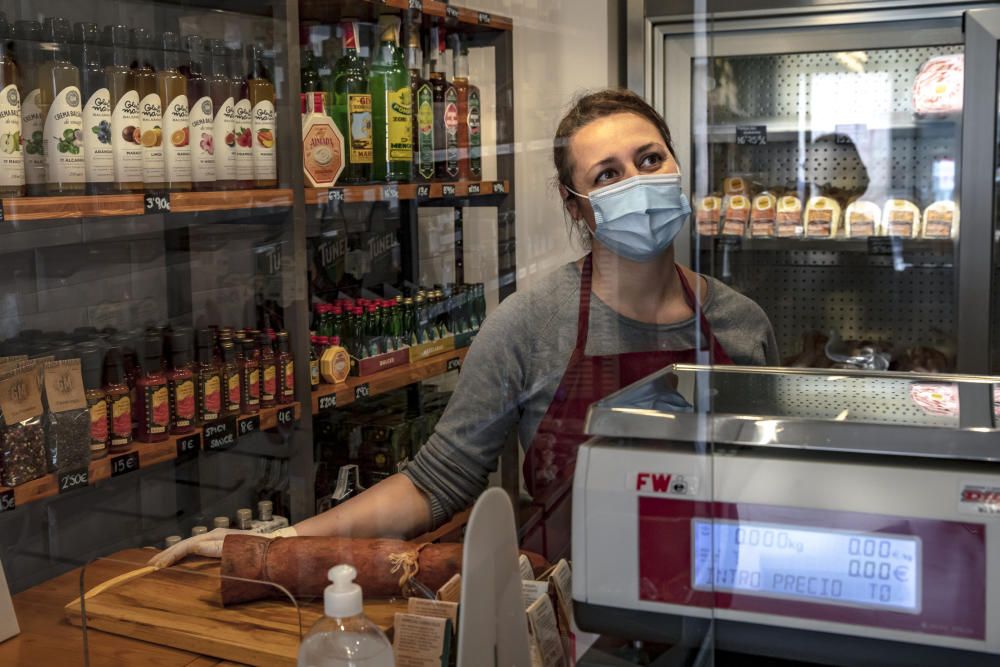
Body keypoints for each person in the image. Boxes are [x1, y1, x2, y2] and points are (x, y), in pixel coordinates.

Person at [151, 88, 778, 568]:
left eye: (649, 159)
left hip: (718, 606)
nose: (637, 183)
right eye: (607, 175)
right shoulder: (530, 324)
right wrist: (274, 543)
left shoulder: (742, 324)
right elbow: (434, 481)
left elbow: (774, 487)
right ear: (575, 205)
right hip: (577, 615)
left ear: (675, 165)